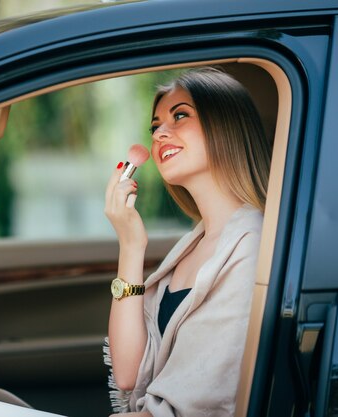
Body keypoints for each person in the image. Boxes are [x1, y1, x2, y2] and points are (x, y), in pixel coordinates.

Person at [103, 67, 272, 417]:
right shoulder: (192, 246)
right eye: (155, 126)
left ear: (226, 125)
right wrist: (131, 247)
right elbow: (128, 374)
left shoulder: (251, 247)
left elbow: (188, 407)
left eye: (180, 115)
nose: (160, 133)